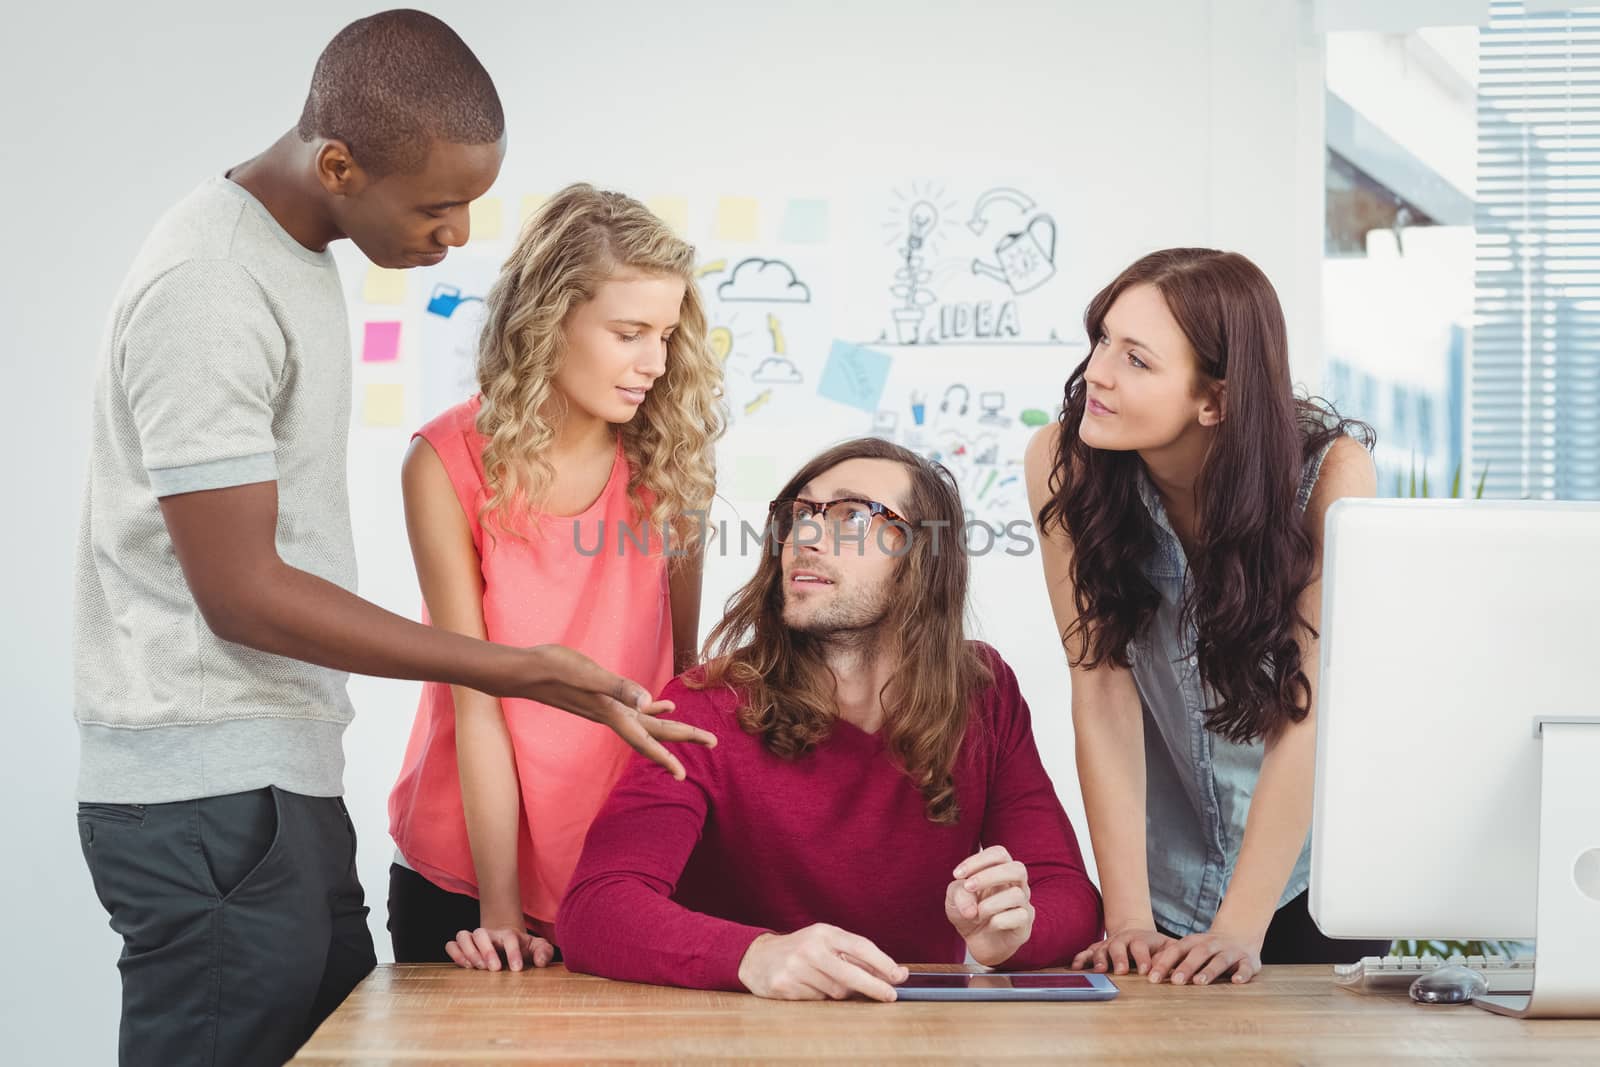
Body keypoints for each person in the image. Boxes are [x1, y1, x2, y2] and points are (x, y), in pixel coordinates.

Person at [73, 14, 707, 1066]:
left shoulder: (293, 260)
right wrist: (518, 670)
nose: (459, 233)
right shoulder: (211, 286)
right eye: (437, 205)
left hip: (274, 783)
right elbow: (238, 590)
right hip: (204, 790)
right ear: (338, 163)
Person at [557, 438, 1103, 1001]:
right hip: (736, 1042)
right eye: (799, 515)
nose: (807, 537)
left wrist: (1013, 934)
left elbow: (1068, 895)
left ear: (922, 558)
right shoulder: (706, 702)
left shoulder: (982, 692)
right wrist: (754, 954)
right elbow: (596, 907)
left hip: (915, 1040)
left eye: (852, 515)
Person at [1023, 247, 1386, 988]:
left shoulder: (1330, 474)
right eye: (1101, 339)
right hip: (1165, 880)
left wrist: (1240, 928)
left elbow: (1306, 708)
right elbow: (1101, 688)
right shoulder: (1064, 462)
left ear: (1214, 398)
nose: (1098, 371)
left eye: (1137, 359)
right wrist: (1126, 918)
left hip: (1310, 880)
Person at [386, 184, 724, 971]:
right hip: (467, 869)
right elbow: (476, 699)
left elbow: (676, 675)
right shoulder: (444, 463)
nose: (656, 362)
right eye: (630, 332)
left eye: (668, 334)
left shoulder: (673, 461)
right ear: (549, 319)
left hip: (624, 863)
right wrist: (499, 912)